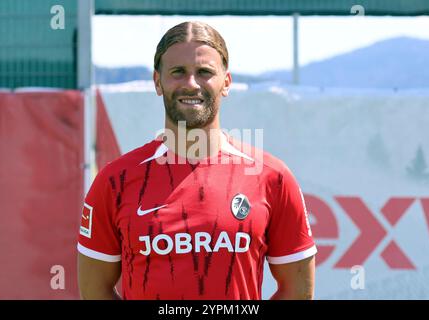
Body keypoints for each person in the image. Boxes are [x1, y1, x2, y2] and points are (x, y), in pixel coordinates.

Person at [77, 21, 316, 300]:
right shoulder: (114, 181)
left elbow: (298, 290)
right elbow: (95, 290)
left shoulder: (272, 177)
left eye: (204, 72)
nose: (191, 84)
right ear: (157, 81)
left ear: (226, 83)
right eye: (178, 72)